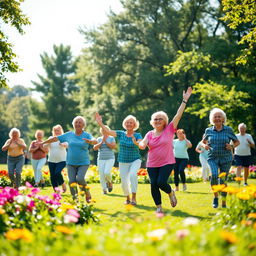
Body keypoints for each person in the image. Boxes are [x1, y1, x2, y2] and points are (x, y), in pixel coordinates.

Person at [139, 87, 193, 214]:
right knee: (153, 184)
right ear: (152, 122)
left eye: (160, 119)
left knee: (161, 182)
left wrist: (184, 101)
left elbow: (178, 115)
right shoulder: (149, 133)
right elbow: (143, 143)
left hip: (167, 162)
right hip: (152, 163)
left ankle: (170, 192)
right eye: (155, 119)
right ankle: (159, 207)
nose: (157, 121)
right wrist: (141, 145)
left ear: (165, 121)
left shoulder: (169, 130)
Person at [41, 116, 97, 202]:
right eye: (76, 122)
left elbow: (95, 140)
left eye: (80, 122)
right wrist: (43, 142)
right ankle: (75, 199)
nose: (77, 124)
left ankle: (87, 192)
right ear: (73, 124)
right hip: (70, 163)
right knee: (72, 182)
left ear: (83, 125)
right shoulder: (69, 134)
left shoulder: (86, 135)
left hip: (83, 162)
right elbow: (55, 138)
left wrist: (91, 141)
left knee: (80, 179)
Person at [95, 113, 142, 205]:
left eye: (131, 123)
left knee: (132, 175)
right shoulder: (121, 134)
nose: (129, 124)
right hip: (123, 161)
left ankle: (134, 198)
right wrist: (100, 123)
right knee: (124, 181)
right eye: (127, 122)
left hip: (135, 160)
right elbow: (108, 132)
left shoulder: (137, 135)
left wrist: (136, 143)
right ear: (125, 124)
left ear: (134, 125)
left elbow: (140, 143)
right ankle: (127, 198)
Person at [201, 108, 240, 208]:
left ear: (223, 119)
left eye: (219, 116)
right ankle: (215, 197)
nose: (217, 118)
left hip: (226, 159)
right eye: (215, 117)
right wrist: (204, 145)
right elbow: (203, 141)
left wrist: (231, 146)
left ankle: (223, 202)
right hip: (212, 157)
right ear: (212, 119)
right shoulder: (208, 130)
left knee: (223, 181)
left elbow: (237, 142)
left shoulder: (228, 130)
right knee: (214, 175)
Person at [44, 125, 68, 192]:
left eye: (58, 130)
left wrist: (62, 144)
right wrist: (49, 142)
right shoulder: (51, 138)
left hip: (62, 160)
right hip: (51, 160)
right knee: (52, 176)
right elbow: (44, 145)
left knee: (57, 173)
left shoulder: (63, 138)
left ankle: (63, 184)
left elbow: (67, 145)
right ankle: (56, 191)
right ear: (53, 131)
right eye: (55, 130)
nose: (57, 132)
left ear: (61, 131)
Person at [93, 126, 116, 194]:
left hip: (110, 158)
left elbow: (113, 146)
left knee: (106, 172)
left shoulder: (111, 138)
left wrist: (106, 141)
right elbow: (95, 148)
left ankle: (109, 182)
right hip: (101, 159)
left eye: (105, 130)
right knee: (102, 175)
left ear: (108, 130)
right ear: (101, 131)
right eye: (102, 130)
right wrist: (101, 142)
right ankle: (104, 190)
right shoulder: (99, 139)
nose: (104, 131)